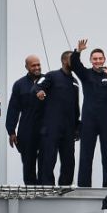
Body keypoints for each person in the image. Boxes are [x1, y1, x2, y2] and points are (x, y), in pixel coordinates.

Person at [70, 41, 107, 187]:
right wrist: (78, 51)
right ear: (91, 60)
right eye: (95, 59)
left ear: (104, 59)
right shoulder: (86, 74)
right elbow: (75, 64)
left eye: (100, 58)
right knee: (86, 155)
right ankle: (84, 186)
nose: (98, 61)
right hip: (89, 121)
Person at [35, 51, 80, 187]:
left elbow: (76, 106)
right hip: (52, 127)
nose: (75, 63)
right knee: (49, 159)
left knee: (68, 161)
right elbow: (38, 85)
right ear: (64, 61)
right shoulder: (52, 76)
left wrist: (77, 126)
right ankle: (46, 187)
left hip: (69, 128)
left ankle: (64, 188)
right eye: (73, 60)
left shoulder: (74, 81)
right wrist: (39, 91)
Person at [5, 54, 44, 185]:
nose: (37, 67)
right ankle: (31, 193)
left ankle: (45, 192)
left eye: (38, 64)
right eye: (33, 65)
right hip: (27, 128)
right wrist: (11, 131)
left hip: (46, 128)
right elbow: (13, 109)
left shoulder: (48, 81)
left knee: (46, 163)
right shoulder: (19, 84)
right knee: (28, 163)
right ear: (27, 67)